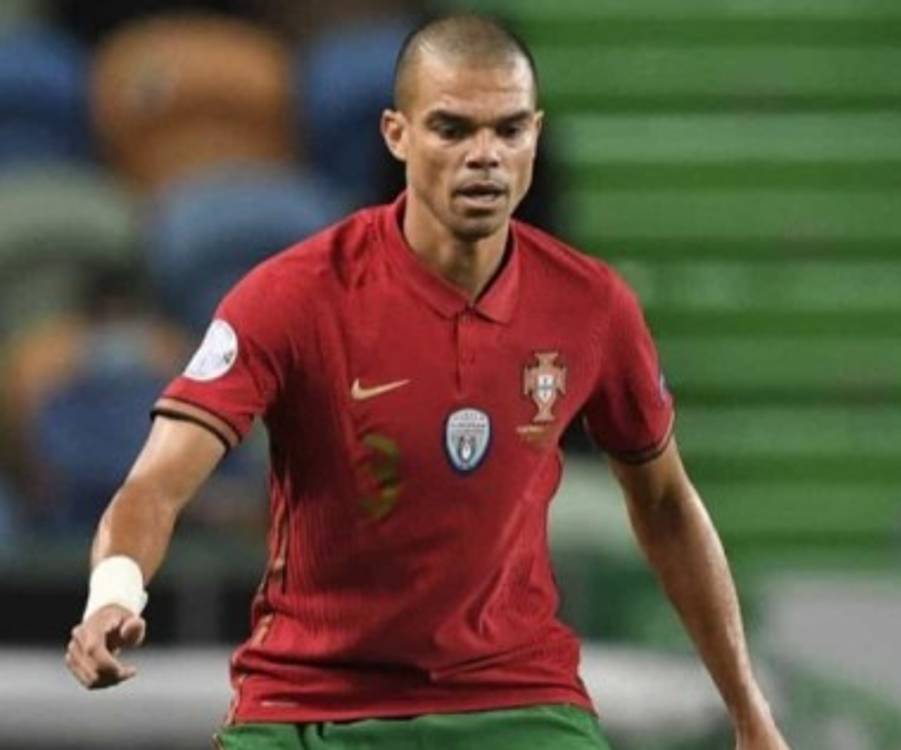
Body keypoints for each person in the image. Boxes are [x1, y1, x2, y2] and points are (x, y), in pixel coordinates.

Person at [64, 14, 789, 750]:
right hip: (309, 704)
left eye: (509, 130)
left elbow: (665, 504)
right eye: (452, 128)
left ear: (535, 135)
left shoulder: (591, 306)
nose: (485, 156)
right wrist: (112, 594)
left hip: (517, 704)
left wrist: (748, 712)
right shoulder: (293, 296)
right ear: (396, 134)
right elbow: (156, 484)